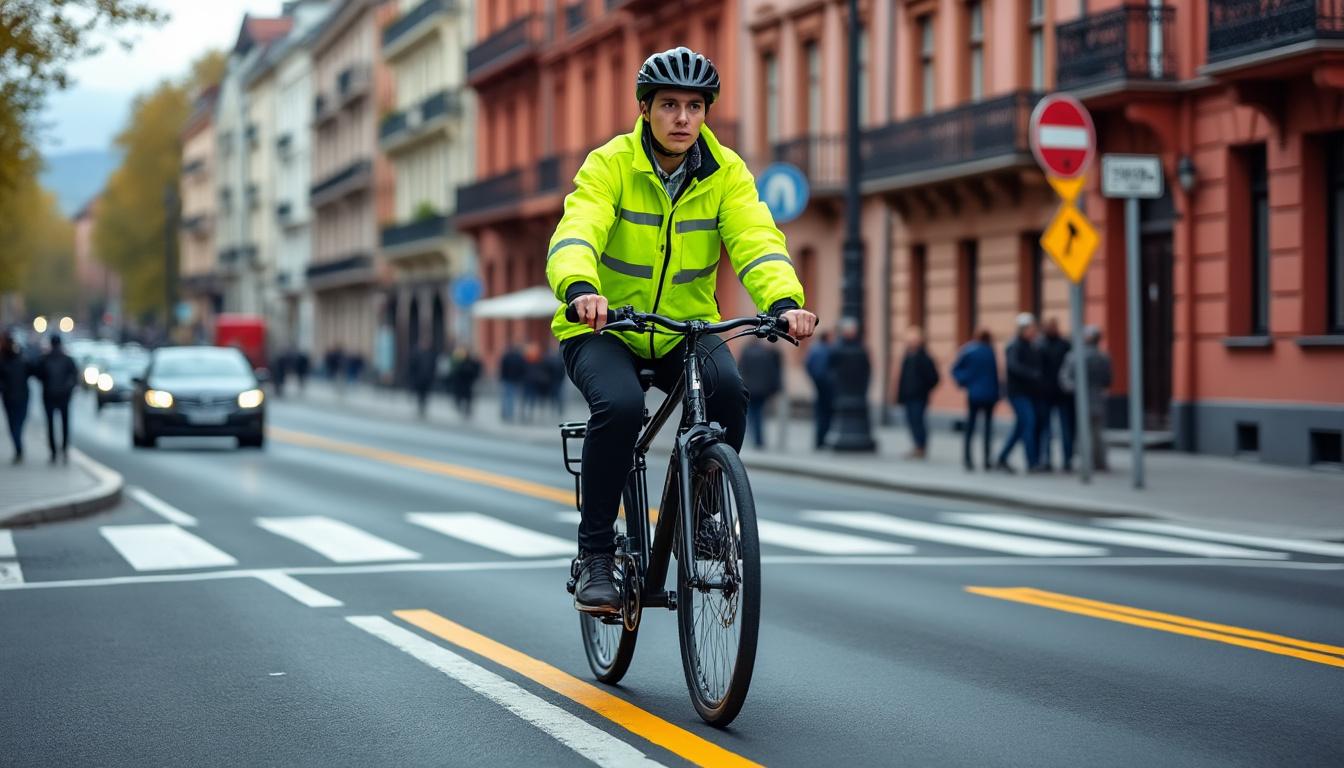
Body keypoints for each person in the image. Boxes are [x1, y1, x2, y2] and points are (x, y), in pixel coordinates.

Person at [550, 46, 817, 613]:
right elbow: (579, 229)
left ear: (705, 113)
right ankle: (596, 554)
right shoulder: (610, 164)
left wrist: (785, 299)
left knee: (729, 391)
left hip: (682, 329)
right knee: (620, 408)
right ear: (646, 109)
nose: (682, 119)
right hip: (603, 326)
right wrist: (579, 289)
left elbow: (757, 239)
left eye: (694, 107)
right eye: (669, 105)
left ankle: (704, 516)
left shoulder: (727, 173)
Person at [995, 313, 1044, 473]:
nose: (1033, 331)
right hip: (1017, 392)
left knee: (1021, 427)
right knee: (1028, 423)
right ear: (1023, 329)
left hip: (1030, 392)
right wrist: (1033, 374)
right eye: (1031, 328)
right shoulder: (1014, 345)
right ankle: (1032, 462)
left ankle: (1002, 458)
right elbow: (1014, 366)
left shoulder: (1033, 345)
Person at [1060, 325, 1113, 471]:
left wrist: (1076, 389)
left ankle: (1088, 462)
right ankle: (1099, 462)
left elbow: (1065, 379)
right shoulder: (1103, 357)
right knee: (1097, 433)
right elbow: (1108, 380)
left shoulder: (1073, 356)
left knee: (1084, 433)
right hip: (1097, 398)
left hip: (1080, 400)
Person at [951, 328, 1000, 471]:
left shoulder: (969, 350)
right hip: (990, 394)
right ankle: (986, 460)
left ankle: (968, 459)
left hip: (974, 394)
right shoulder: (990, 351)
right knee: (988, 428)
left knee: (971, 427)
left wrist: (965, 382)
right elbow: (996, 375)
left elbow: (955, 369)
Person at [1035, 317, 1075, 472]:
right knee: (1051, 428)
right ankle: (1054, 459)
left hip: (1057, 393)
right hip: (1052, 393)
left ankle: (1062, 459)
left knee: (1059, 428)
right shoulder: (1046, 345)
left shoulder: (1058, 345)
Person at [894, 326, 939, 459]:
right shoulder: (907, 357)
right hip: (908, 395)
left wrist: (923, 389)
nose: (909, 344)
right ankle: (917, 446)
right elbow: (902, 378)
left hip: (919, 396)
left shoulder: (924, 358)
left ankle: (921, 446)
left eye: (912, 341)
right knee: (911, 421)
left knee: (918, 421)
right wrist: (899, 395)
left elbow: (934, 378)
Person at [33, 334, 78, 464]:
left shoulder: (45, 359)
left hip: (49, 396)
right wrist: (68, 389)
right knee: (65, 424)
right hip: (63, 397)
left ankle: (53, 451)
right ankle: (64, 450)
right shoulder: (68, 359)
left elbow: (38, 374)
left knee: (50, 424)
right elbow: (74, 377)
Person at [739, 339, 783, 449]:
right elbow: (771, 373)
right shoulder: (766, 353)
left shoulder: (746, 352)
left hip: (748, 388)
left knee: (750, 414)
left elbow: (741, 370)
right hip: (762, 390)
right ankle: (758, 439)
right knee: (758, 414)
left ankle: (752, 436)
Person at [0, 331, 31, 463]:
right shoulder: (14, 360)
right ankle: (18, 447)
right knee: (15, 424)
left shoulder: (20, 359)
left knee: (15, 424)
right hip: (15, 396)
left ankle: (18, 447)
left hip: (17, 396)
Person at [805, 331, 835, 449]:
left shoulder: (814, 350)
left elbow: (807, 365)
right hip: (827, 387)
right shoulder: (827, 351)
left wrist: (814, 379)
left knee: (820, 415)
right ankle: (821, 440)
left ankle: (819, 440)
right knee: (826, 415)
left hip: (818, 386)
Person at [446, 347, 482, 418]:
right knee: (466, 397)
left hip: (465, 384)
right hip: (466, 384)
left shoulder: (464, 363)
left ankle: (465, 409)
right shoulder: (469, 363)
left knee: (464, 397)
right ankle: (466, 409)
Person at [408, 341, 438, 419]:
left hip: (427, 378)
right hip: (420, 378)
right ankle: (420, 407)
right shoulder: (418, 354)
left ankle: (423, 407)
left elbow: (433, 366)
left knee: (425, 394)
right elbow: (413, 366)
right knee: (420, 394)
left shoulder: (431, 354)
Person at [498, 345, 526, 422]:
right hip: (515, 380)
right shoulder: (519, 358)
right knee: (511, 397)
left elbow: (502, 369)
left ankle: (505, 413)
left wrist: (502, 378)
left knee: (506, 397)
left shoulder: (506, 357)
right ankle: (509, 413)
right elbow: (522, 369)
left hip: (507, 379)